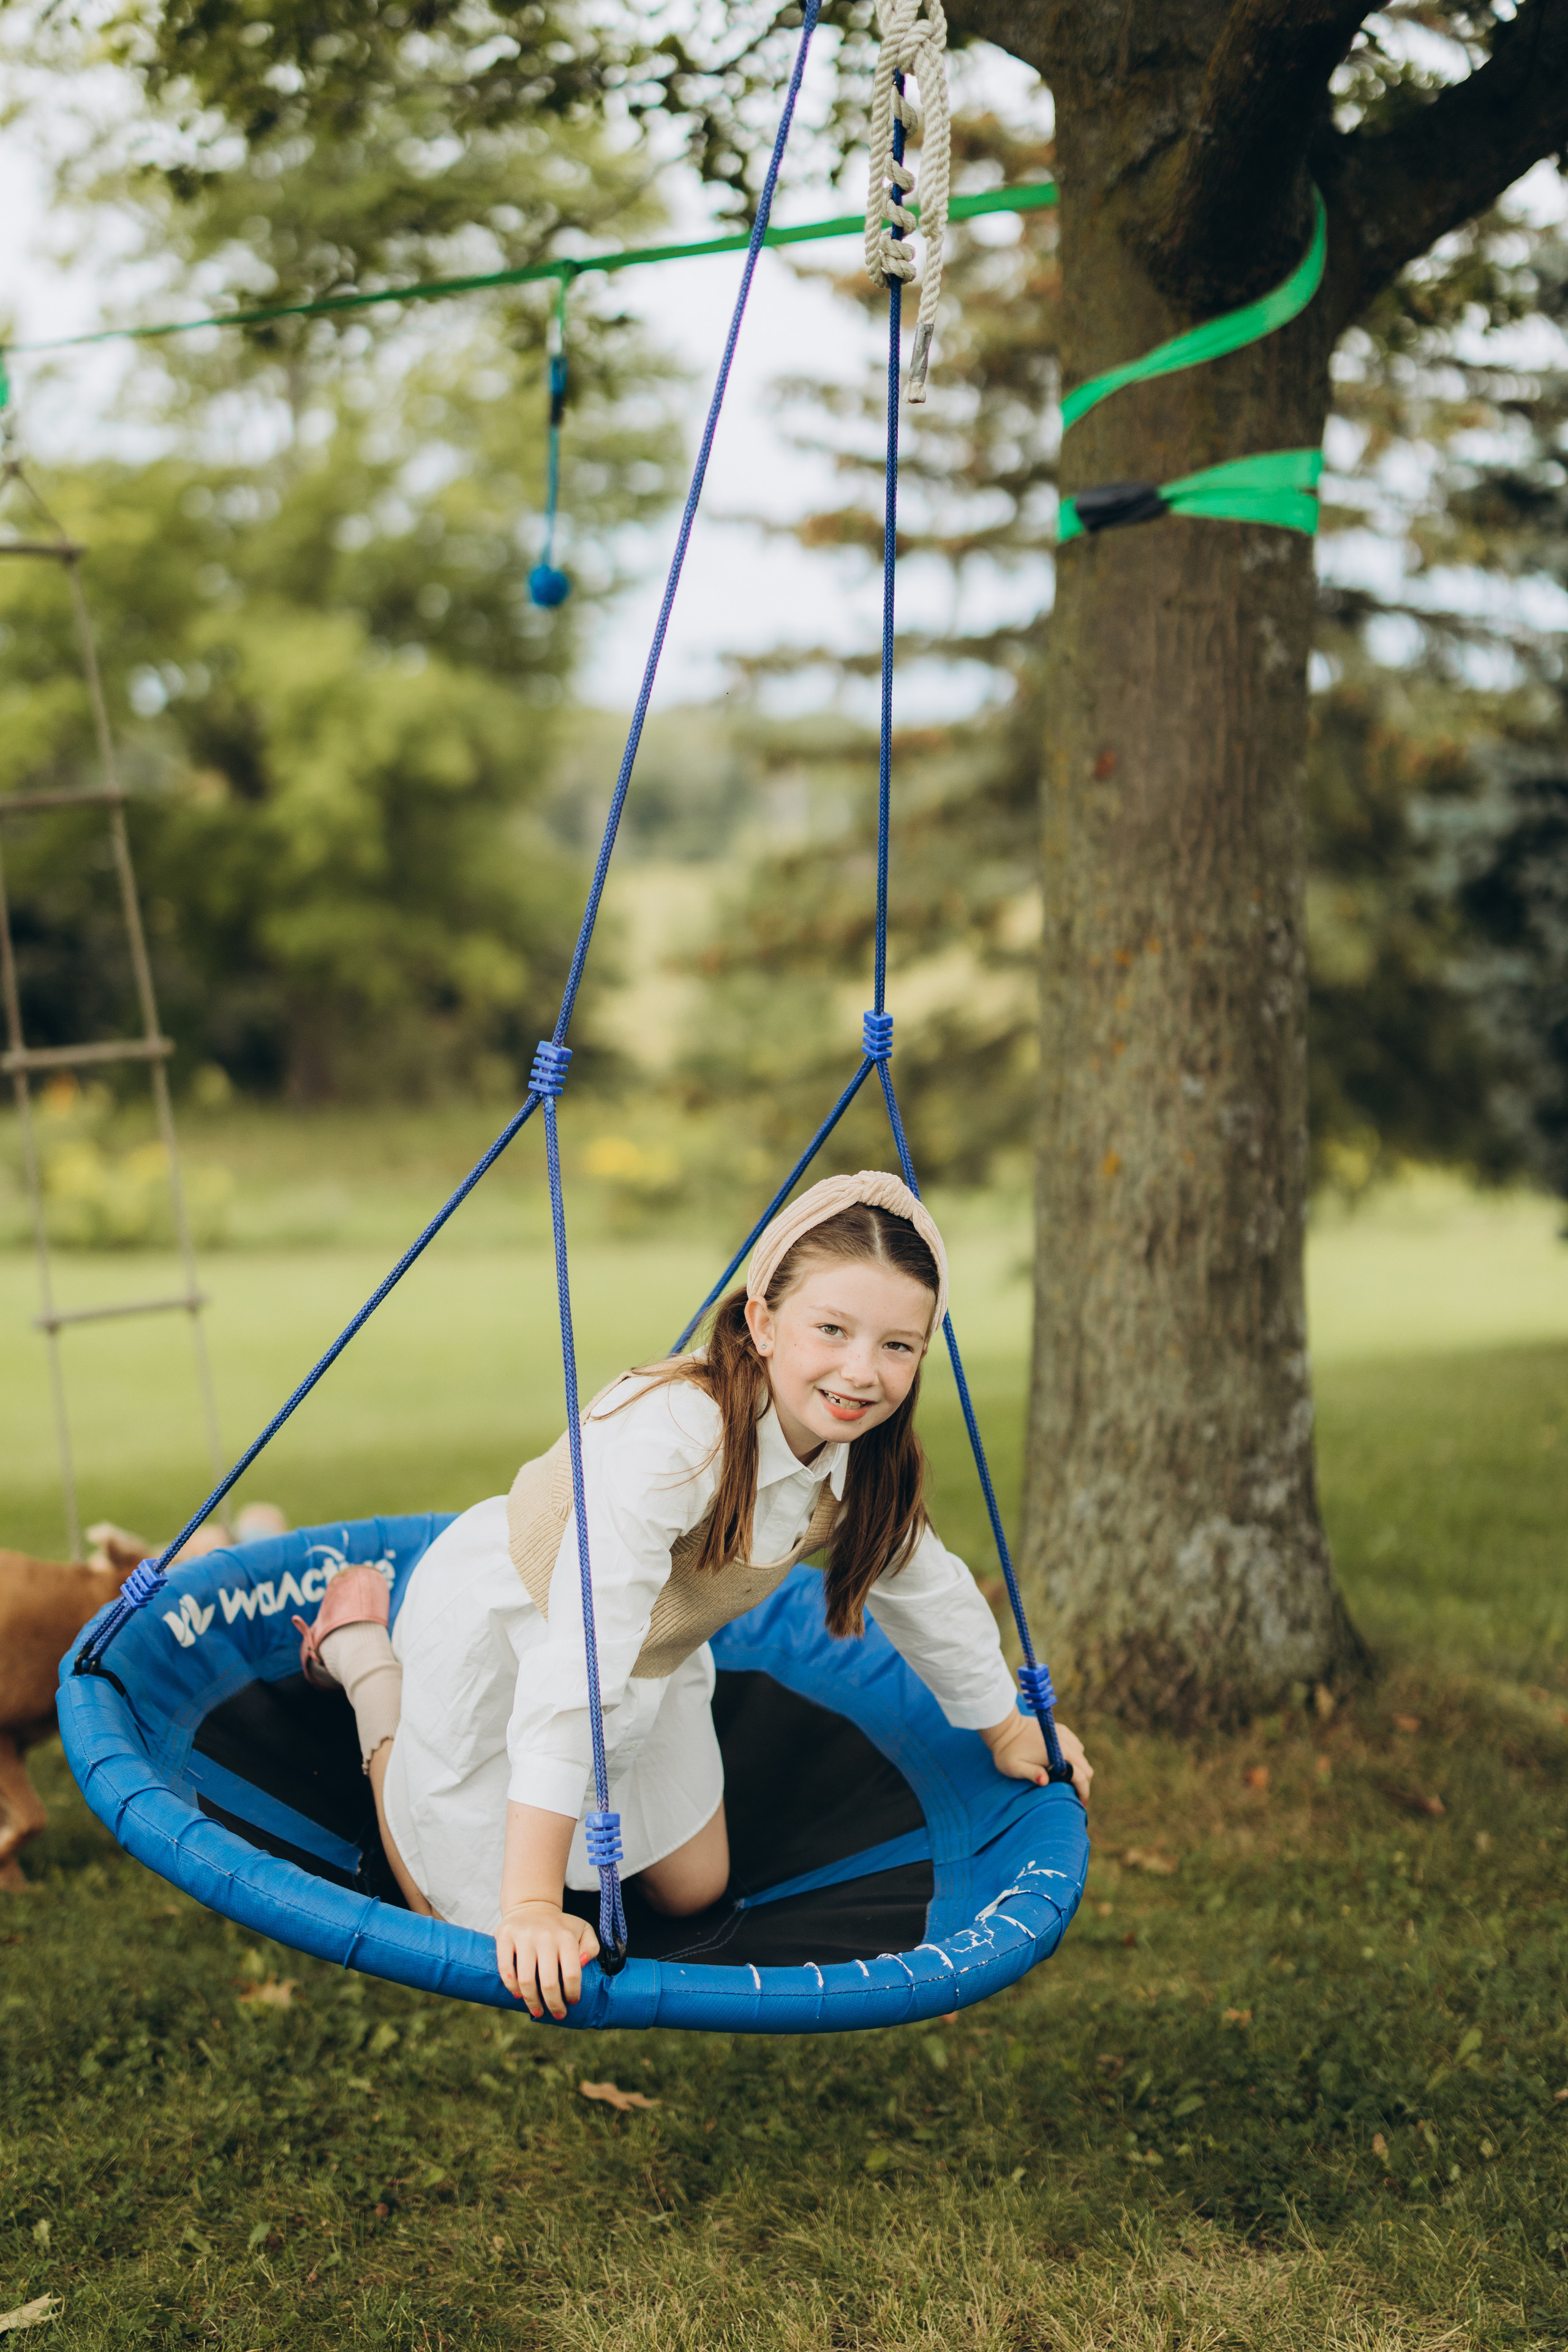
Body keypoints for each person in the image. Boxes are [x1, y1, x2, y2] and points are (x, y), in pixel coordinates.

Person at [295, 1170, 1091, 2019]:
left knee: (694, 1887)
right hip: (524, 1628)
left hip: (648, 1660)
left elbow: (925, 1588)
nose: (862, 1372)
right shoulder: (676, 1440)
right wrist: (529, 1903)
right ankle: (365, 1665)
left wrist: (1004, 1723)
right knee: (463, 1918)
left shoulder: (859, 1452)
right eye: (832, 1329)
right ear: (763, 1322)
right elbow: (580, 1658)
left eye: (898, 1346)